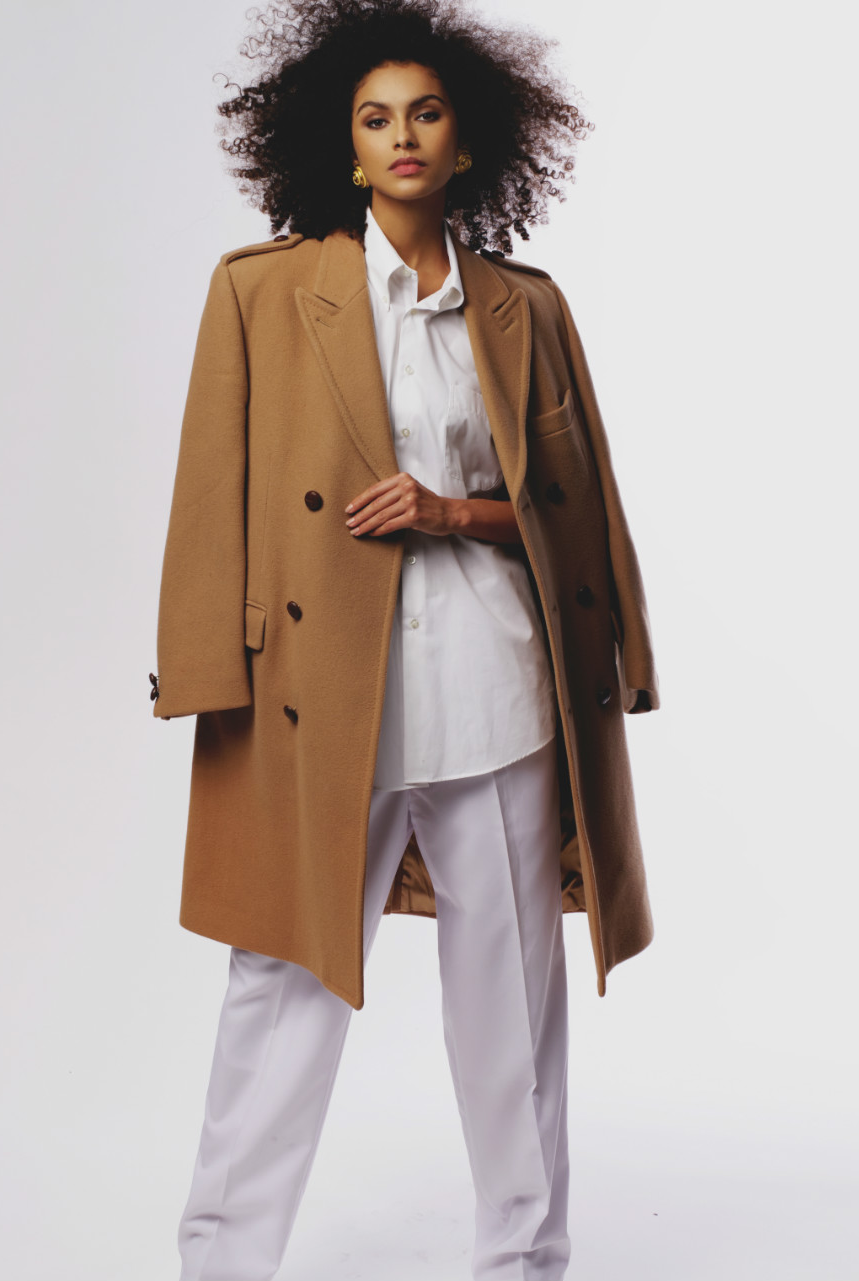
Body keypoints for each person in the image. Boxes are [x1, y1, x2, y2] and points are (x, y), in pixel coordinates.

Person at [149, 1, 660, 1277]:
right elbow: (212, 491)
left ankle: (524, 1263)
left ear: (468, 140)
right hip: (322, 701)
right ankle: (219, 1265)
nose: (403, 136)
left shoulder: (525, 309)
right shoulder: (263, 291)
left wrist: (450, 512)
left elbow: (575, 512)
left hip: (496, 696)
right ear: (346, 147)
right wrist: (206, 680)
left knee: (514, 1014)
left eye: (426, 113)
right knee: (278, 999)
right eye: (376, 119)